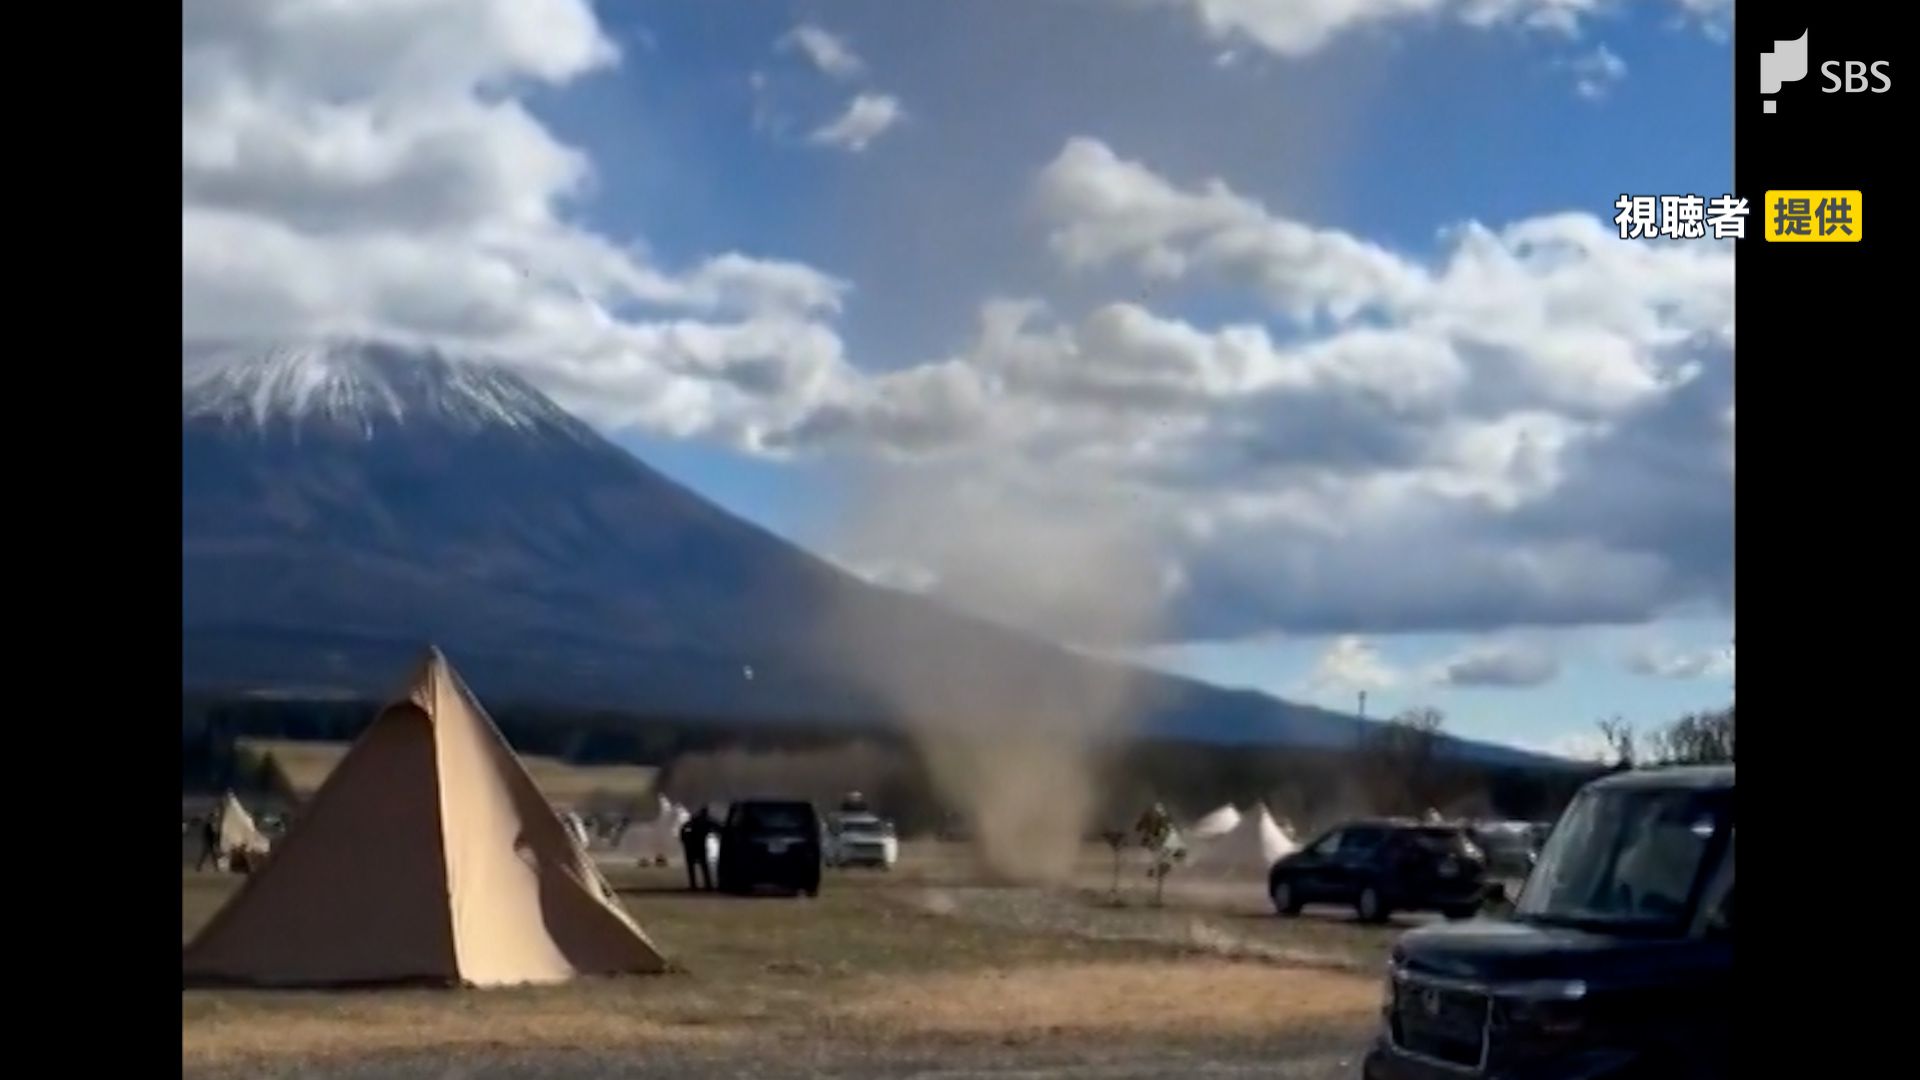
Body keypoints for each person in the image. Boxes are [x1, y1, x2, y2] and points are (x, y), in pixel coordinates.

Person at [680, 806, 715, 891]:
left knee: (693, 867)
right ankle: (707, 885)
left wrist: (685, 841)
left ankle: (694, 885)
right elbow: (718, 829)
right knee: (703, 867)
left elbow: (683, 832)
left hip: (692, 847)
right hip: (698, 847)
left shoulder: (692, 823)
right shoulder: (706, 822)